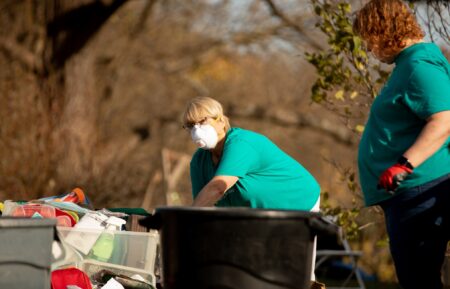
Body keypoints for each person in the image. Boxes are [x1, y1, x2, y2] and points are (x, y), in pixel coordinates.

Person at [353, 1, 450, 288]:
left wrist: (403, 165)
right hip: (407, 194)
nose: (370, 50)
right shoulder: (408, 64)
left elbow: (443, 120)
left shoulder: (418, 65)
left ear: (385, 30)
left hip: (419, 187)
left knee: (418, 280)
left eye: (370, 41)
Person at [182, 96, 323, 287]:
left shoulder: (242, 144)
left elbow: (217, 188)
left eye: (202, 121)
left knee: (291, 276)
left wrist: (181, 225)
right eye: (191, 125)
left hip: (297, 204)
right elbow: (201, 211)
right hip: (256, 216)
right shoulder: (199, 161)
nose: (197, 129)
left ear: (221, 120)